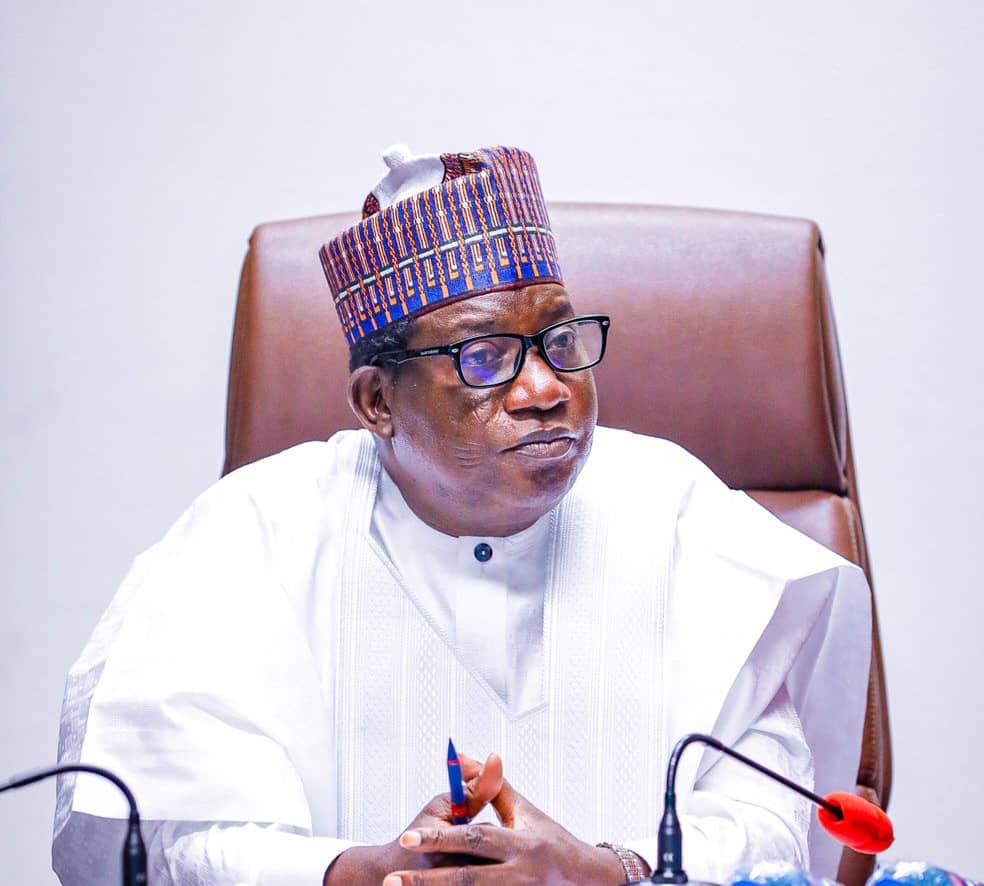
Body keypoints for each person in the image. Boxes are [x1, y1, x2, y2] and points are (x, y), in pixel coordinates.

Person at [53, 145, 871, 885]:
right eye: (484, 357)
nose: (546, 389)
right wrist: (357, 874)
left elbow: (776, 822)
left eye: (561, 341)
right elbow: (161, 838)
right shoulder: (252, 535)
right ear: (378, 402)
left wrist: (607, 874)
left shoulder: (682, 515)